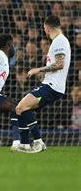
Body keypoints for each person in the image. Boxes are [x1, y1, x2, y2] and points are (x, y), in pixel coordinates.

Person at [14, 16, 71, 153]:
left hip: (52, 86)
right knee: (21, 108)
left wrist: (38, 69)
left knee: (22, 106)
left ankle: (39, 142)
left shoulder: (59, 41)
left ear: (46, 28)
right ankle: (24, 144)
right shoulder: (60, 41)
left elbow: (60, 64)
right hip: (51, 85)